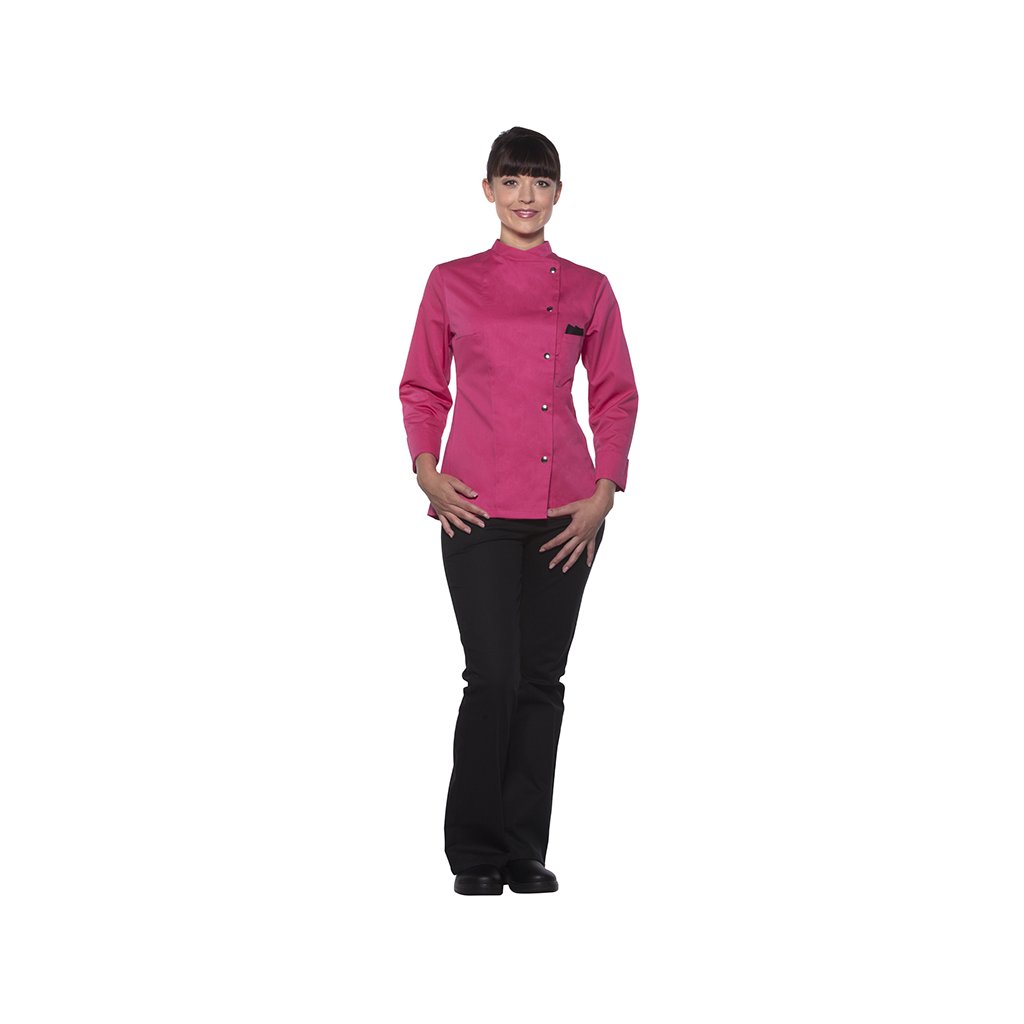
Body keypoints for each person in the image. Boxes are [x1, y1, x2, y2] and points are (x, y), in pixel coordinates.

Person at [398, 126, 639, 895]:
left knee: (540, 680)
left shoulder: (590, 288)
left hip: (568, 510)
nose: (525, 196)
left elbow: (615, 395)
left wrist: (604, 490)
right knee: (493, 677)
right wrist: (426, 471)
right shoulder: (451, 282)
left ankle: (523, 850)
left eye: (539, 181)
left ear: (558, 193)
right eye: (511, 181)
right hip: (474, 505)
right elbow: (423, 386)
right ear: (488, 190)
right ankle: (475, 852)